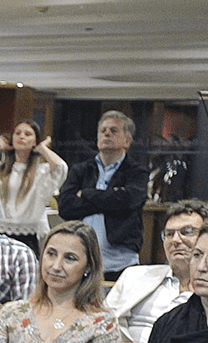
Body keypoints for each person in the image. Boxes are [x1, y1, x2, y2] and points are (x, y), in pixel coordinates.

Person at [104, 200, 208, 343]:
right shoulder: (134, 275)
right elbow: (98, 325)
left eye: (187, 232)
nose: (175, 240)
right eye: (169, 234)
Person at [58, 111, 148, 275]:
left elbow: (127, 201)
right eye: (103, 130)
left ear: (127, 140)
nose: (107, 134)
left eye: (113, 130)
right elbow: (65, 207)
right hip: (82, 261)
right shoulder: (81, 170)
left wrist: (86, 193)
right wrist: (109, 201)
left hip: (120, 263)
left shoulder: (136, 172)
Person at [0, 119, 67, 252]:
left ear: (35, 141)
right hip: (0, 233)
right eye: (17, 133)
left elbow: (61, 168)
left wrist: (42, 149)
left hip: (28, 236)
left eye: (28, 134)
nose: (21, 137)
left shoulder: (41, 172)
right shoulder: (0, 170)